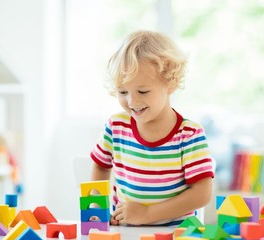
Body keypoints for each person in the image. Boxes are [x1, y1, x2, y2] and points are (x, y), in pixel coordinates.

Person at [90, 30, 215, 226]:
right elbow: (100, 165)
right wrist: (97, 204)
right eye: (123, 92)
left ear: (171, 83)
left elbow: (202, 194)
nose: (132, 101)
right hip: (124, 231)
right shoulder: (116, 127)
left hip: (175, 237)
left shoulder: (189, 135)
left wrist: (148, 214)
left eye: (143, 91)